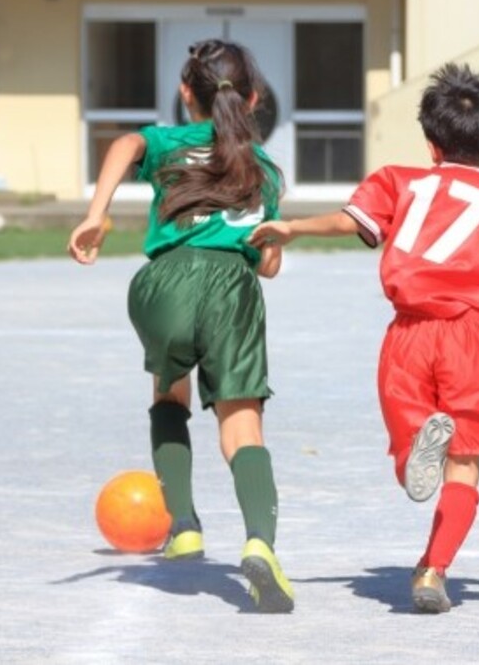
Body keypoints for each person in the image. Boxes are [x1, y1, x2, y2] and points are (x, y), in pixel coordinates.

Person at [249, 62, 479, 614]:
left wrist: (293, 227)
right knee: (464, 464)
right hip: (472, 339)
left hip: (408, 337)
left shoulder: (399, 180)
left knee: (410, 444)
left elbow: (352, 223)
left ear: (430, 143)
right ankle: (432, 572)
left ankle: (412, 463)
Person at [67, 39, 294, 613]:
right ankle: (261, 547)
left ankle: (185, 523)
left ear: (185, 92)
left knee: (170, 393)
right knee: (242, 426)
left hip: (162, 283)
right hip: (230, 288)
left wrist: (96, 215)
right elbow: (266, 264)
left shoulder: (167, 142)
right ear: (255, 98)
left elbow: (126, 142)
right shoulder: (264, 168)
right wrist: (266, 248)